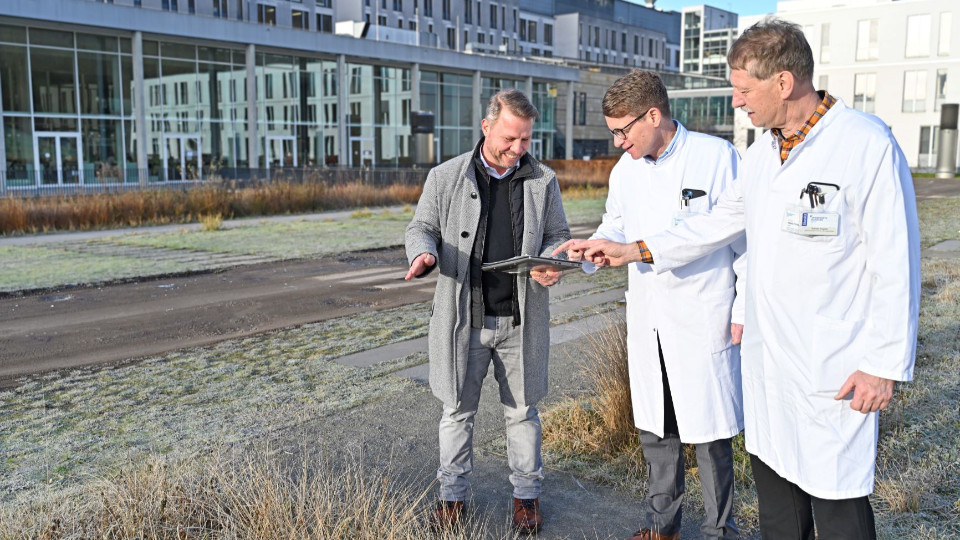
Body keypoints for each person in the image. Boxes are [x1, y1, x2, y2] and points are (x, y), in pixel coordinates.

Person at [577, 19, 921, 539]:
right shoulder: (762, 156)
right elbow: (715, 225)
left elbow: (897, 261)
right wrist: (637, 249)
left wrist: (882, 364)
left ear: (783, 83)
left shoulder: (863, 145)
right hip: (769, 363)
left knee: (837, 506)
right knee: (778, 508)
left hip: (832, 362)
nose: (736, 102)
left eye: (743, 90)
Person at [555, 70, 745, 540]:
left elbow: (744, 240)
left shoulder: (716, 158)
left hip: (704, 315)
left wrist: (744, 310)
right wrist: (589, 248)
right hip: (650, 318)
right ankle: (661, 526)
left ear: (653, 115)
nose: (618, 142)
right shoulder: (626, 172)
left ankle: (719, 529)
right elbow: (616, 228)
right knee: (657, 428)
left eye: (623, 130)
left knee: (709, 435)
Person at [404, 89, 570, 533]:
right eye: (510, 138)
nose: (518, 148)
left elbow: (557, 233)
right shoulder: (446, 176)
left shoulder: (543, 180)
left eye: (526, 140)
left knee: (522, 413)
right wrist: (423, 254)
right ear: (486, 127)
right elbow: (421, 226)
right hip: (464, 320)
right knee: (456, 411)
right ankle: (452, 499)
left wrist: (551, 261)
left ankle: (526, 499)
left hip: (520, 321)